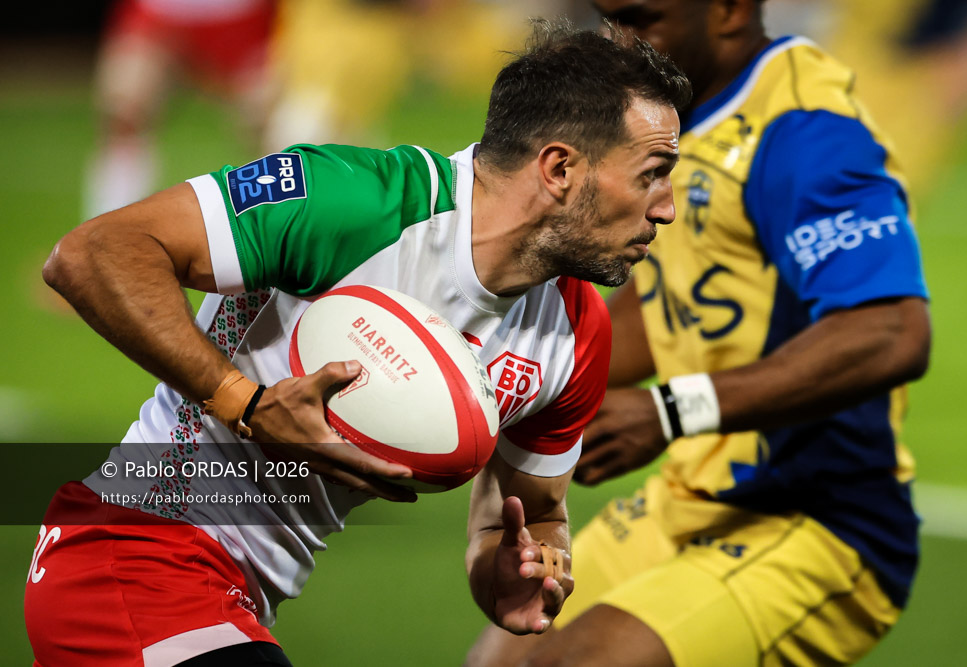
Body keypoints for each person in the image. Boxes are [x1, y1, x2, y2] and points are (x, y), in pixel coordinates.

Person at [28, 19, 692, 667]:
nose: (666, 207)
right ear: (559, 168)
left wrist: (516, 574)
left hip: (235, 600)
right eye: (652, 172)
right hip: (127, 552)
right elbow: (92, 253)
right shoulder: (355, 200)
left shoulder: (575, 335)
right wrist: (245, 400)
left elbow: (529, 514)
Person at [468, 1, 931, 665]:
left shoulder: (802, 129)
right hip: (689, 498)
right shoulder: (674, 121)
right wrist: (490, 384)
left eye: (642, 23)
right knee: (505, 656)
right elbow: (666, 316)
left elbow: (891, 330)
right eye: (609, 21)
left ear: (729, 10)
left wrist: (668, 409)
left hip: (815, 520)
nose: (619, 46)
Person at [84, 0, 277, 219]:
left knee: (275, 128)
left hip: (245, 21)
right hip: (160, 15)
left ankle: (275, 237)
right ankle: (108, 233)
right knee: (125, 111)